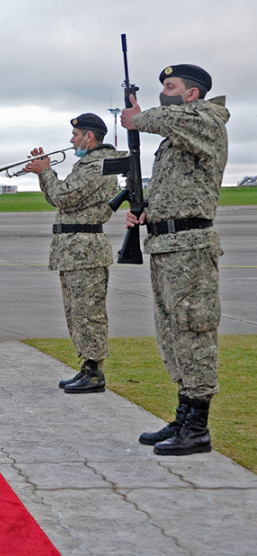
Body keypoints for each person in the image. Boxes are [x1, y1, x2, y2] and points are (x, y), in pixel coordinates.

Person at [121, 64, 229, 456]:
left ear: (191, 95)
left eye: (171, 87)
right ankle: (184, 415)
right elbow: (178, 188)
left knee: (193, 330)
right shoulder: (173, 136)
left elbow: (166, 118)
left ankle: (198, 427)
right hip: (166, 246)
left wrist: (138, 117)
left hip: (190, 247)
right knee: (172, 334)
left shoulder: (207, 121)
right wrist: (147, 211)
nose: (163, 93)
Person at [25, 114, 121, 394]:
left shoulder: (99, 166)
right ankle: (89, 367)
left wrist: (45, 171)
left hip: (85, 252)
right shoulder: (87, 164)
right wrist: (44, 174)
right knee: (77, 313)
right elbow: (58, 198)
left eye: (75, 134)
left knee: (88, 313)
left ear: (88, 137)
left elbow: (65, 197)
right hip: (74, 251)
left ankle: (95, 373)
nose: (71, 140)